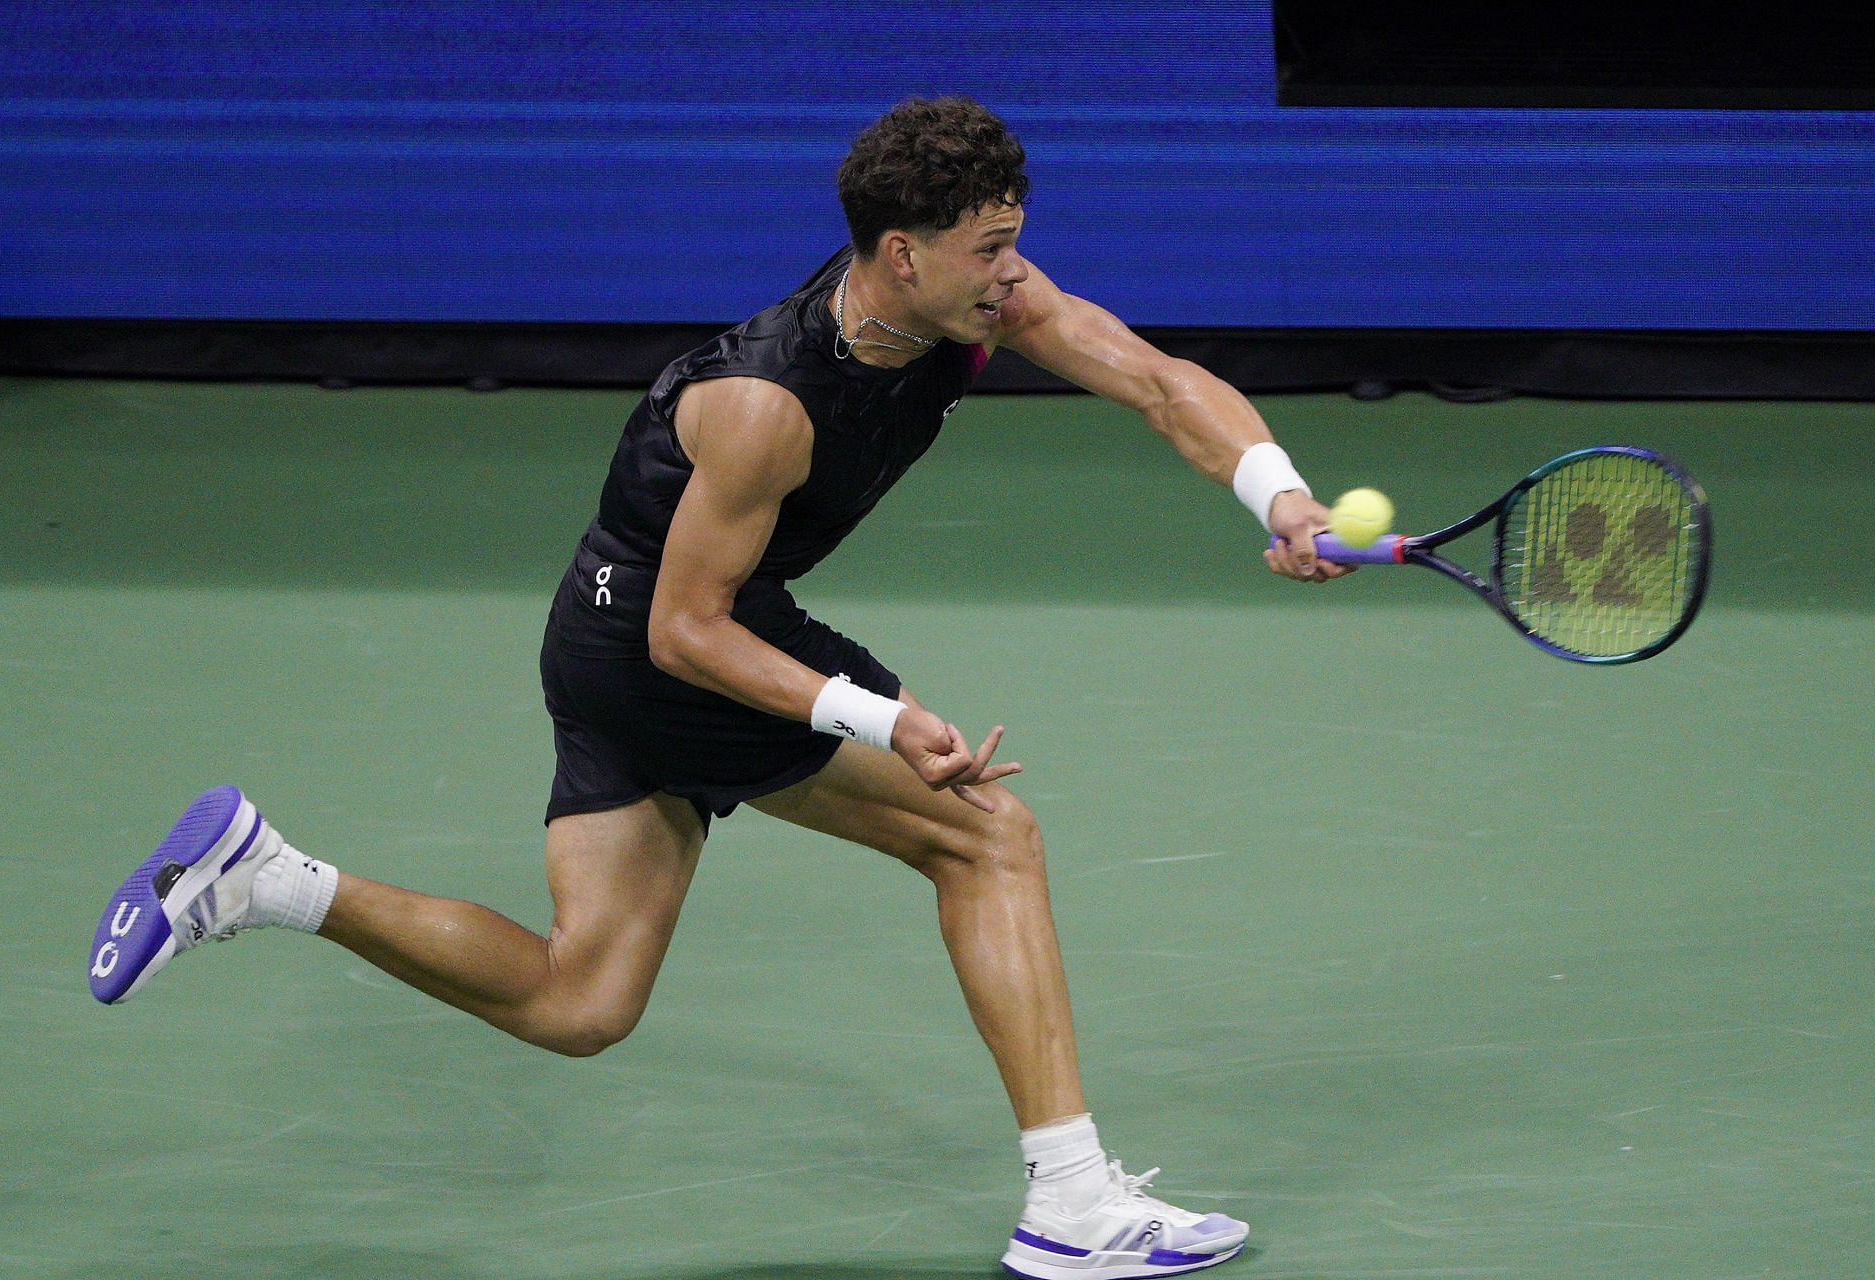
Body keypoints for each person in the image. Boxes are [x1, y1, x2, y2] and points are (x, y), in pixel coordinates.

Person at [88, 96, 1344, 1279]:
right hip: (671, 646)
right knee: (985, 836)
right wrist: (880, 718)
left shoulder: (977, 306)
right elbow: (689, 633)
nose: (1015, 271)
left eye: (1017, 241)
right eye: (990, 248)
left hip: (609, 638)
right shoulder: (766, 403)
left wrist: (1276, 495)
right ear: (902, 254)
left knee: (579, 1000)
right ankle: (1073, 1205)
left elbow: (1162, 382)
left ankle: (264, 875)